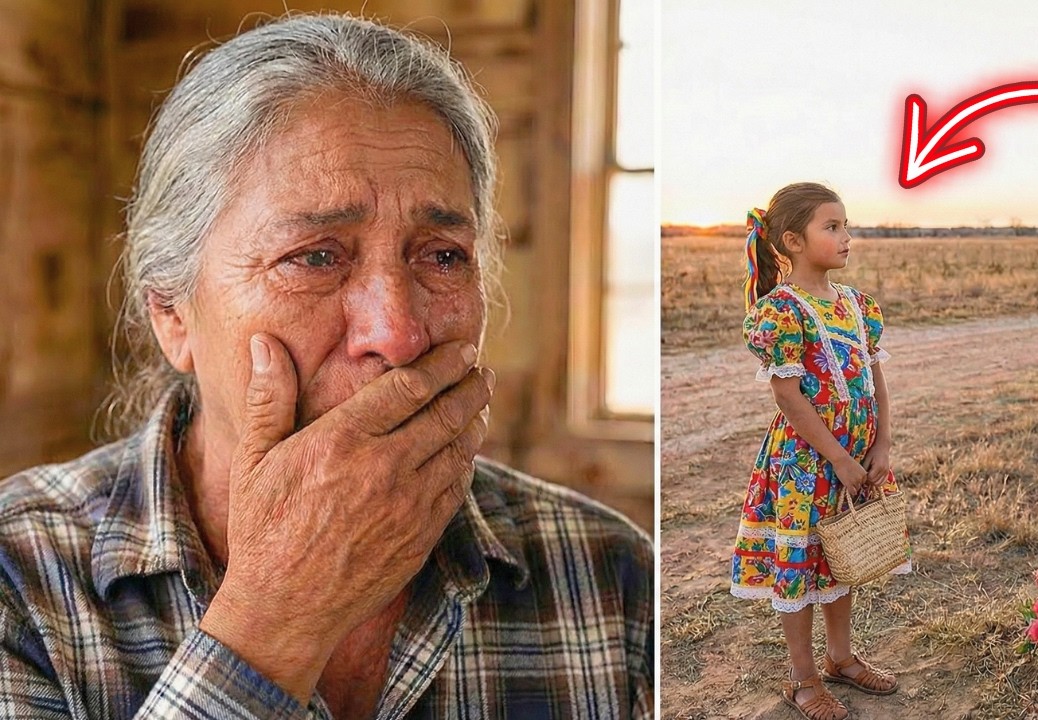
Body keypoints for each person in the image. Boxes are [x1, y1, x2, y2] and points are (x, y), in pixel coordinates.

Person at [0, 14, 652, 719]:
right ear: (171, 313)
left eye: (441, 255)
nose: (396, 335)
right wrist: (276, 617)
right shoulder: (21, 579)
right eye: (314, 256)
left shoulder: (609, 575)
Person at [729, 183, 910, 720]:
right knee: (803, 567)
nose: (846, 236)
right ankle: (804, 680)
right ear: (793, 240)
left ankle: (841, 658)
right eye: (831, 227)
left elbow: (877, 384)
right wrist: (838, 457)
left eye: (846, 225)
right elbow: (788, 396)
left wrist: (881, 446)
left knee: (840, 561)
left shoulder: (857, 307)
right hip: (807, 465)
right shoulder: (781, 313)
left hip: (857, 458)